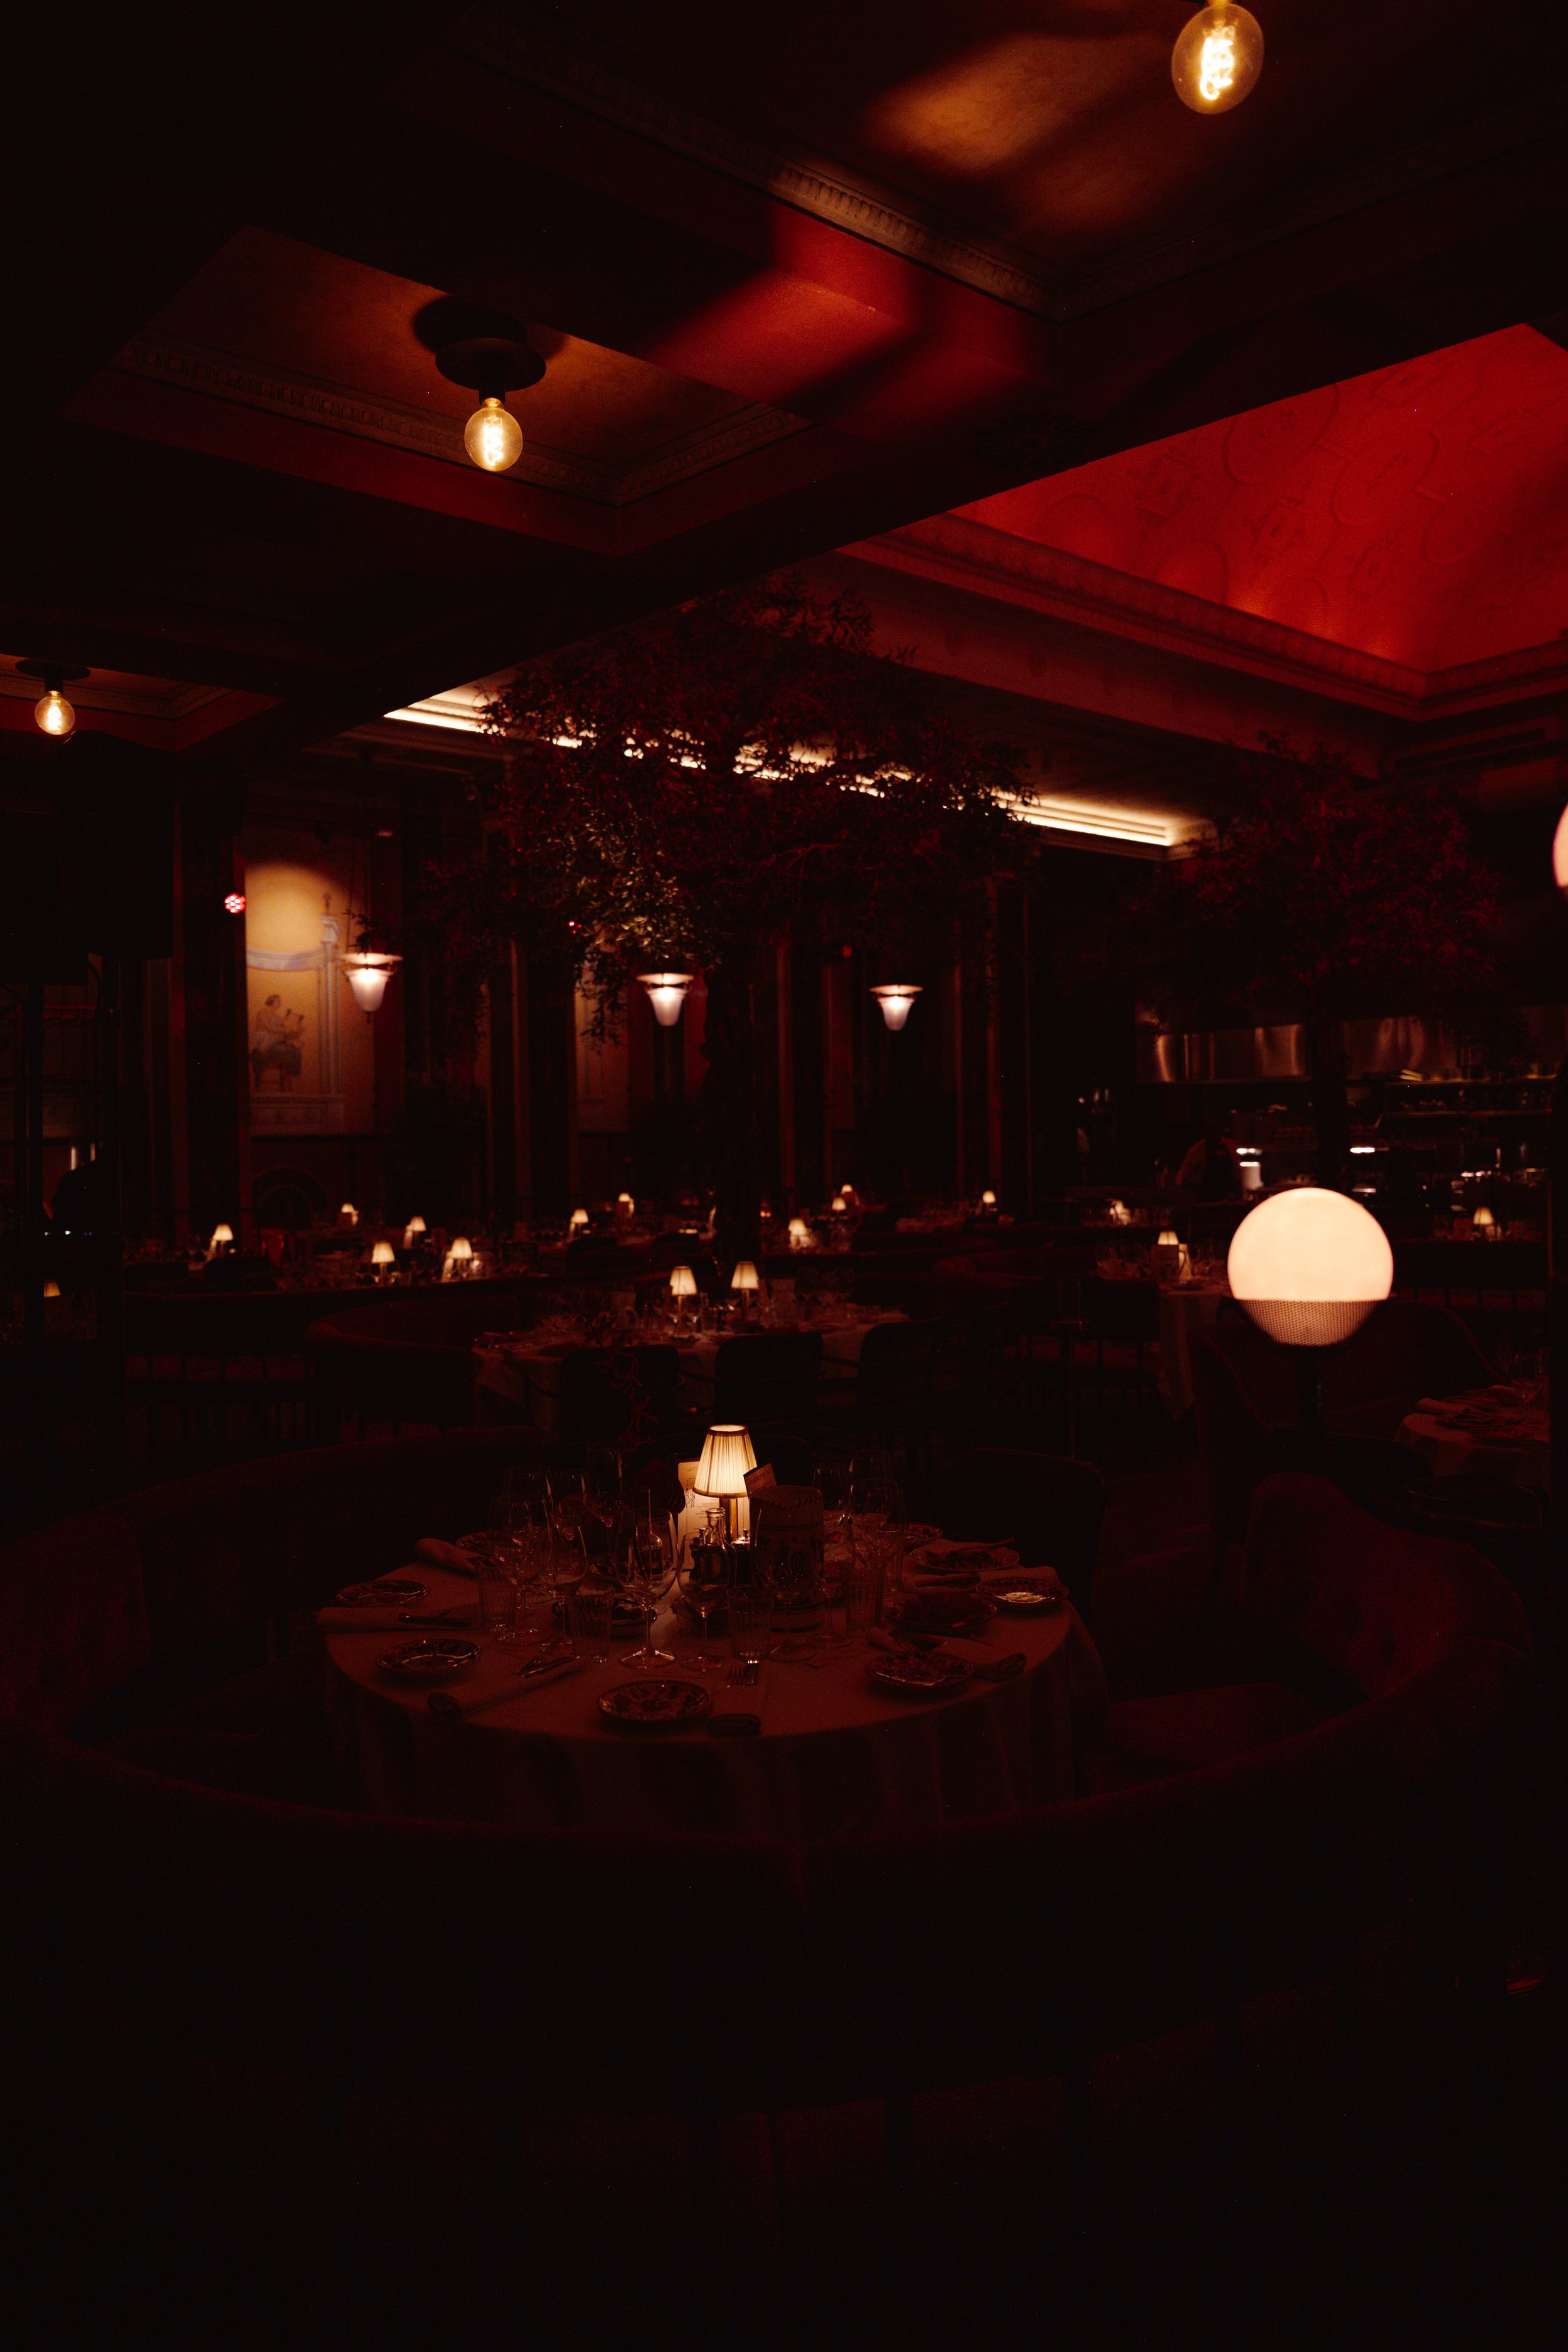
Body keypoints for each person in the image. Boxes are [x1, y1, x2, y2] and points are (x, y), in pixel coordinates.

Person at [1176, 1115, 1242, 1201]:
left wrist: (1240, 1194)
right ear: (1205, 1132)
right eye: (1211, 1130)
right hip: (1203, 1198)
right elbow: (1183, 1174)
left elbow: (1237, 1172)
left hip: (1227, 1198)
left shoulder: (1230, 1146)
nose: (1214, 1133)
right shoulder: (1197, 1150)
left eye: (1216, 1129)